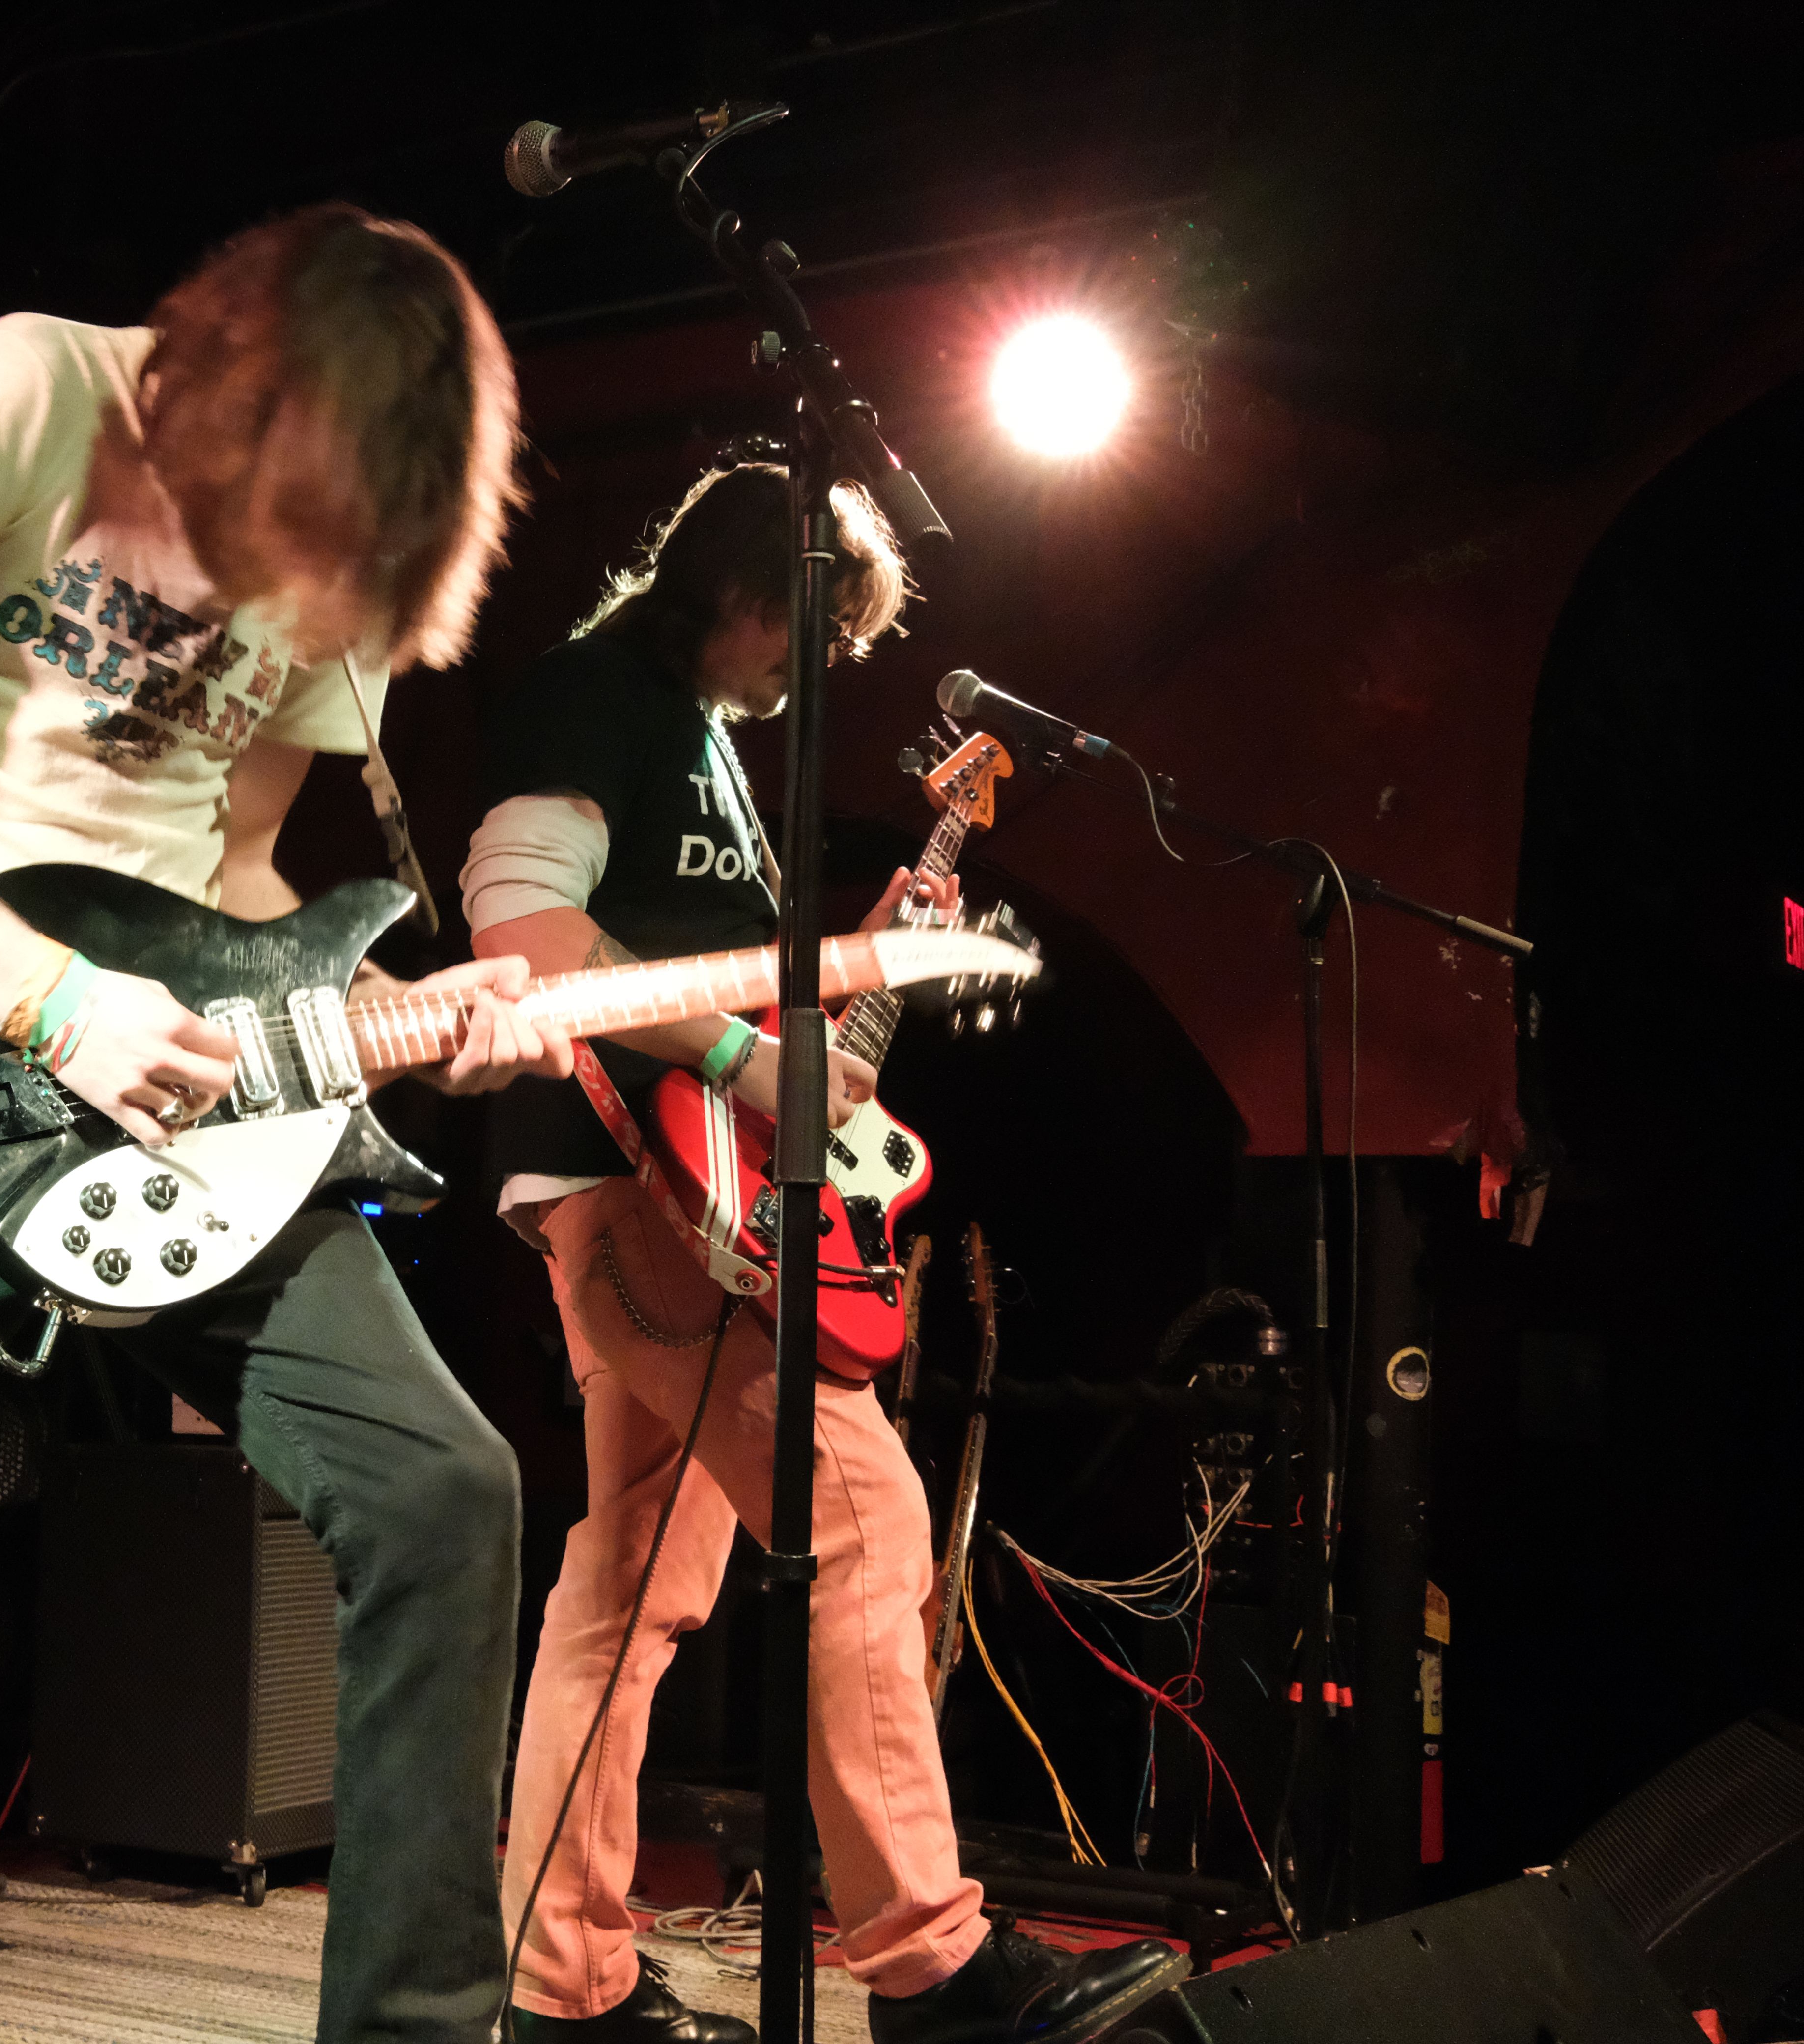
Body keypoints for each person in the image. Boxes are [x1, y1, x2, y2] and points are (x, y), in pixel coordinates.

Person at [0, 204, 579, 2044]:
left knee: (445, 1494)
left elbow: (233, 869)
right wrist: (45, 995)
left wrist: (388, 1027)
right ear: (225, 390)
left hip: (171, 1075)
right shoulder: (26, 387)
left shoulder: (343, 540)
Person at [461, 465, 1186, 2044]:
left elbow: (739, 1013)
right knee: (861, 1517)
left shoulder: (706, 750)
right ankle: (933, 1974)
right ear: (747, 596)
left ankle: (561, 1986)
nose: (805, 684)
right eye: (808, 644)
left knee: (628, 1587)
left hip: (669, 1193)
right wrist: (740, 1058)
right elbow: (519, 928)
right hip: (637, 1194)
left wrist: (820, 1023)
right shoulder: (599, 696)